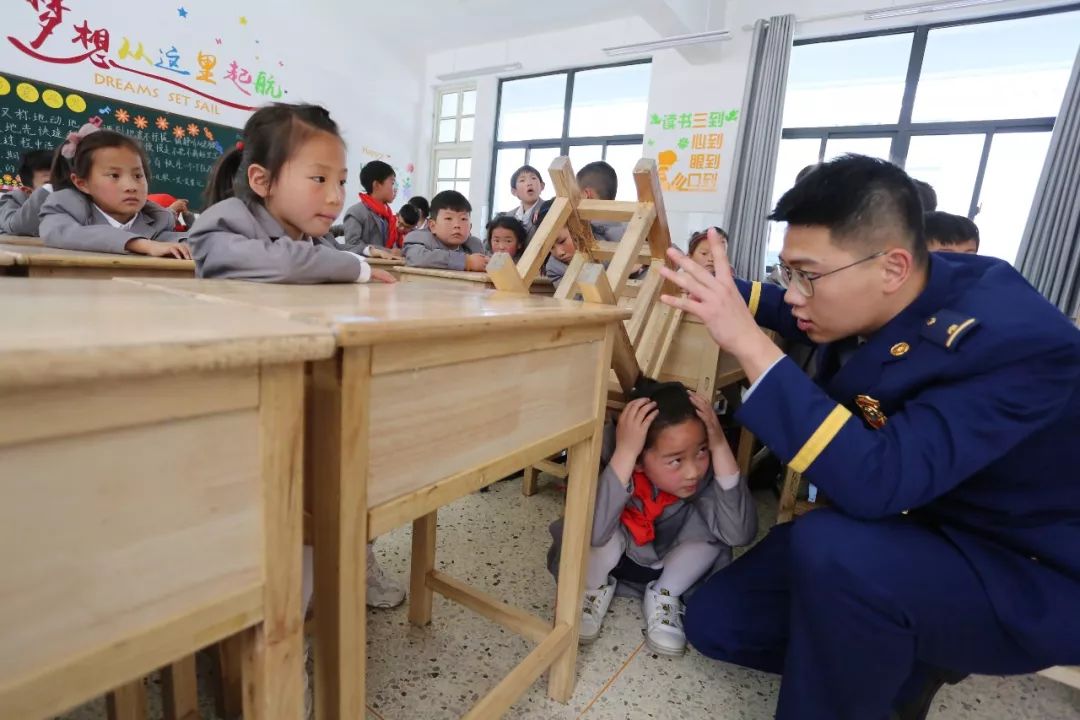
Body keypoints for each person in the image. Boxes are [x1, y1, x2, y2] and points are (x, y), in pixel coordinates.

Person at [655, 154, 1080, 720]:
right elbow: (798, 305)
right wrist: (726, 290)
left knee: (831, 549)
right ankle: (896, 653)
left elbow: (877, 481)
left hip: (1016, 563)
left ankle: (882, 662)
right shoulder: (907, 283)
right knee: (718, 622)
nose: (796, 293)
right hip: (913, 518)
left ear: (892, 267)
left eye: (807, 273)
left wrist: (749, 345)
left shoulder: (1017, 343)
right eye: (788, 271)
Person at [548, 379, 755, 656]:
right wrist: (625, 453)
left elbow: (740, 533)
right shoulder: (614, 457)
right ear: (641, 460)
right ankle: (592, 589)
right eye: (676, 460)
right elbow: (594, 533)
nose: (693, 470)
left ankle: (665, 595)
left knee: (715, 530)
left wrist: (718, 445)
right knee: (598, 525)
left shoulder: (702, 480)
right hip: (612, 562)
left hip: (669, 565)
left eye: (701, 451)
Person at [191, 104, 395, 286]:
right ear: (263, 181)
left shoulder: (315, 239)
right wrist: (358, 269)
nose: (336, 197)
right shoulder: (222, 225)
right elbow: (286, 263)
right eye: (319, 179)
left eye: (341, 182)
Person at [39, 118, 190, 257]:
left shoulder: (157, 217)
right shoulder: (65, 205)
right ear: (82, 183)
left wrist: (187, 244)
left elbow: (171, 239)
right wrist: (140, 244)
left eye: (138, 176)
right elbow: (59, 232)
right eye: (114, 176)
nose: (131, 187)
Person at [403, 190, 487, 270]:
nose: (457, 225)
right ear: (432, 226)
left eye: (463, 219)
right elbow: (417, 258)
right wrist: (466, 262)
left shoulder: (474, 245)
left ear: (470, 227)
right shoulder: (419, 238)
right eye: (448, 218)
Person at [341, 160, 402, 258]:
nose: (395, 188)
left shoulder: (388, 215)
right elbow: (352, 245)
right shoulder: (356, 212)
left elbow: (392, 244)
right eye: (392, 182)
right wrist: (388, 251)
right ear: (377, 185)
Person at [0, 148, 53, 236]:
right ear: (28, 191)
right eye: (49, 183)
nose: (59, 187)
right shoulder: (12, 200)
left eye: (61, 181)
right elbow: (15, 227)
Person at [503, 164, 545, 237]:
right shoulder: (508, 216)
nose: (529, 183)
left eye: (533, 178)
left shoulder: (549, 210)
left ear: (542, 186)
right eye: (522, 180)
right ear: (514, 191)